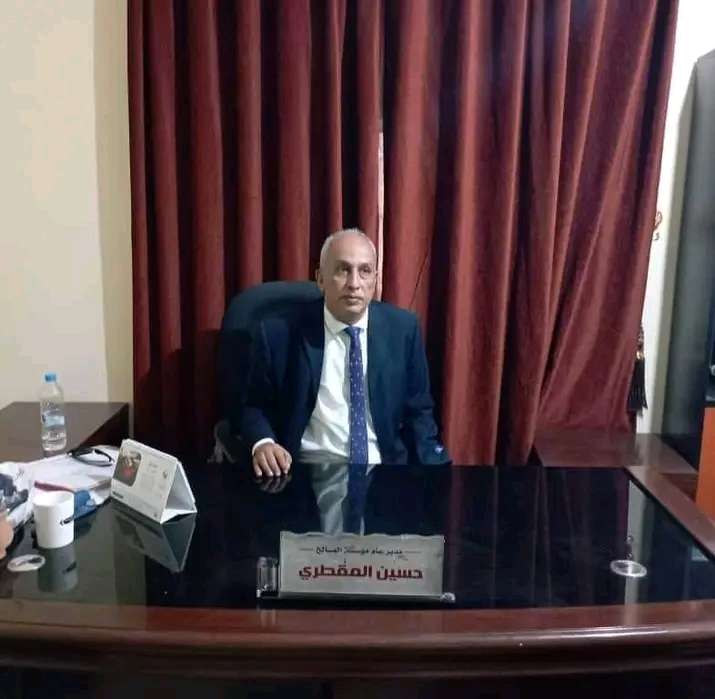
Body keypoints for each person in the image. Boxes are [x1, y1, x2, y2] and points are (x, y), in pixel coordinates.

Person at [242, 228, 450, 477]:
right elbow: (253, 406)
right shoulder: (279, 334)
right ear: (320, 279)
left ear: (375, 279)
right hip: (307, 474)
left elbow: (419, 414)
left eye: (364, 271)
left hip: (385, 475)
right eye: (343, 270)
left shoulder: (403, 330)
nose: (354, 284)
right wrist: (263, 443)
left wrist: (437, 478)